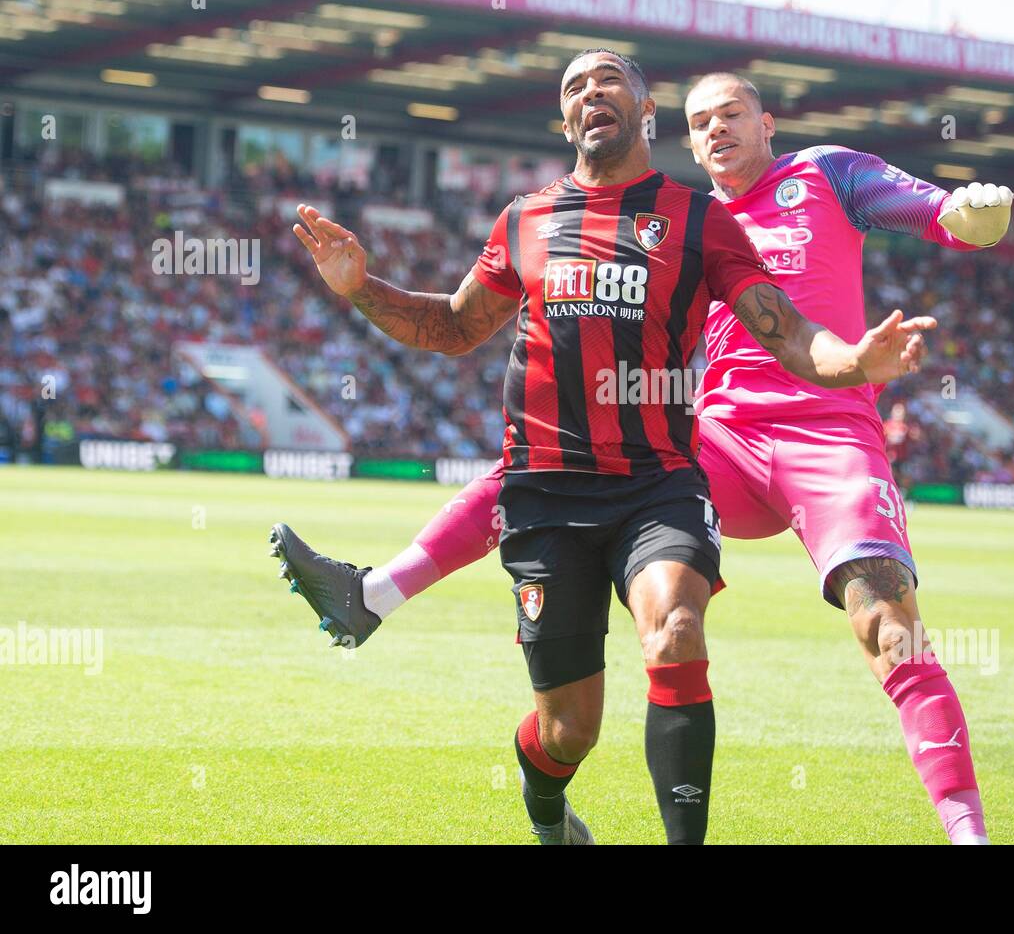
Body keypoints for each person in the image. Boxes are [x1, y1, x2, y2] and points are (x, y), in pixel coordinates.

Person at [272, 49, 936, 845]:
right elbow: (450, 327)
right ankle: (546, 806)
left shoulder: (699, 219)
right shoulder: (526, 218)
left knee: (678, 630)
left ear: (646, 110)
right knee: (568, 731)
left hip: (659, 484)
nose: (592, 92)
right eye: (574, 87)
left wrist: (858, 361)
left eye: (609, 78)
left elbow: (788, 332)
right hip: (548, 499)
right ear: (564, 121)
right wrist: (360, 289)